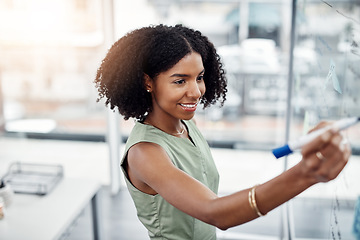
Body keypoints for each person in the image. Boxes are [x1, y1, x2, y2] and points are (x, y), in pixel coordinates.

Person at [94, 24, 351, 239]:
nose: (195, 92)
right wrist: (306, 174)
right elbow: (215, 212)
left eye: (200, 77)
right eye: (180, 80)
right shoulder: (144, 153)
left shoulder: (186, 126)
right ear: (147, 82)